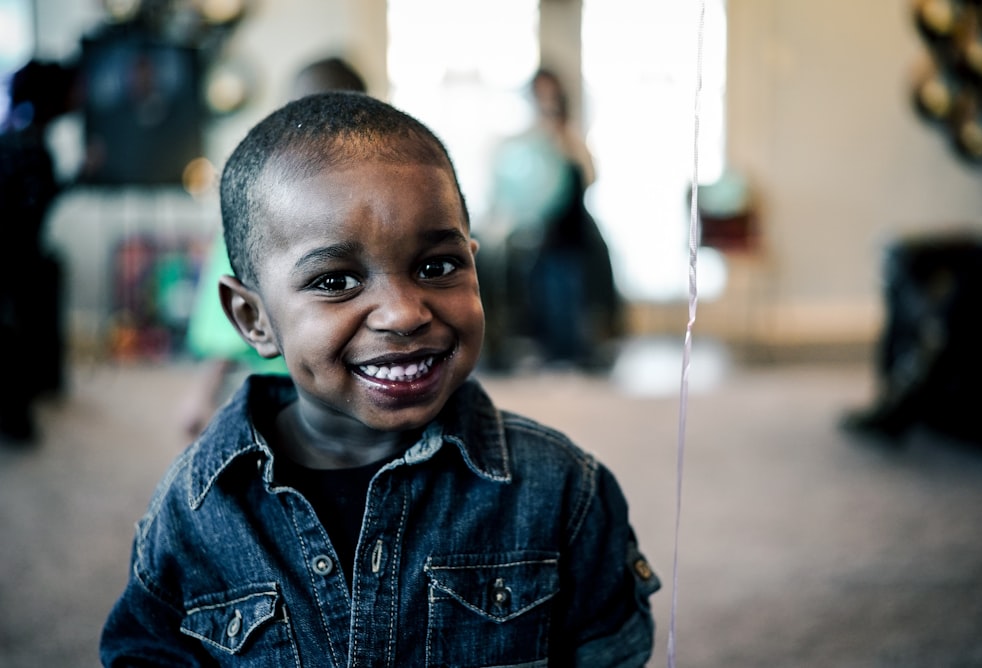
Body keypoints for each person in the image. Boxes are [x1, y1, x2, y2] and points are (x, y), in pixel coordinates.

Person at [100, 91, 659, 666]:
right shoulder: (196, 510)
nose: (403, 313)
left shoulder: (562, 489)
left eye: (437, 267)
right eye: (337, 281)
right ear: (254, 319)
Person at [179, 56, 367, 440]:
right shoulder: (260, 204)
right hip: (266, 373)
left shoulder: (371, 199)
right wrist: (201, 392)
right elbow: (231, 301)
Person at [481, 68, 620, 370]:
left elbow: (590, 176)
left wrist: (561, 139)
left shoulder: (569, 135)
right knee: (541, 293)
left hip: (570, 232)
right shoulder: (524, 140)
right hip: (537, 235)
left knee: (568, 293)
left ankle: (571, 354)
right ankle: (547, 350)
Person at [0, 59, 79, 444]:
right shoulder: (29, 146)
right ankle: (17, 416)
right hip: (13, 260)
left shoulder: (16, 138)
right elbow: (32, 210)